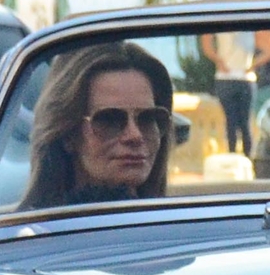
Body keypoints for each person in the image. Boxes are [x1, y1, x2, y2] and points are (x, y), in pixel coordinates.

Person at [18, 42, 175, 208]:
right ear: (67, 135)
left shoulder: (177, 227)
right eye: (110, 120)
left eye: (148, 118)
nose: (135, 135)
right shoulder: (31, 231)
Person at [200, 30, 258, 155]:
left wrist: (218, 60)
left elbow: (205, 43)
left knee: (234, 122)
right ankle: (243, 160)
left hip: (232, 76)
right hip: (239, 76)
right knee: (241, 123)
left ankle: (238, 158)